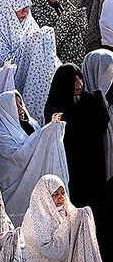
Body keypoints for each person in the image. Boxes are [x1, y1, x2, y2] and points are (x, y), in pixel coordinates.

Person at [0, 90, 69, 223]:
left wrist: (50, 131)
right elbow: (17, 157)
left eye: (21, 104)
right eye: (16, 106)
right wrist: (45, 133)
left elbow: (38, 147)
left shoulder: (32, 124)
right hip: (12, 186)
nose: (21, 109)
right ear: (6, 109)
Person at [44, 63, 109, 205]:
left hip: (92, 161)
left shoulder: (93, 101)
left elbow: (100, 127)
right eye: (73, 81)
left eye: (80, 79)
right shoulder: (55, 106)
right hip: (71, 163)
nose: (79, 84)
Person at [22, 174, 102, 260]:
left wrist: (77, 217)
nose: (61, 197)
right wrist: (69, 222)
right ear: (45, 196)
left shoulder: (65, 210)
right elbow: (49, 251)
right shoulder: (35, 217)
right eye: (55, 194)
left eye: (63, 193)